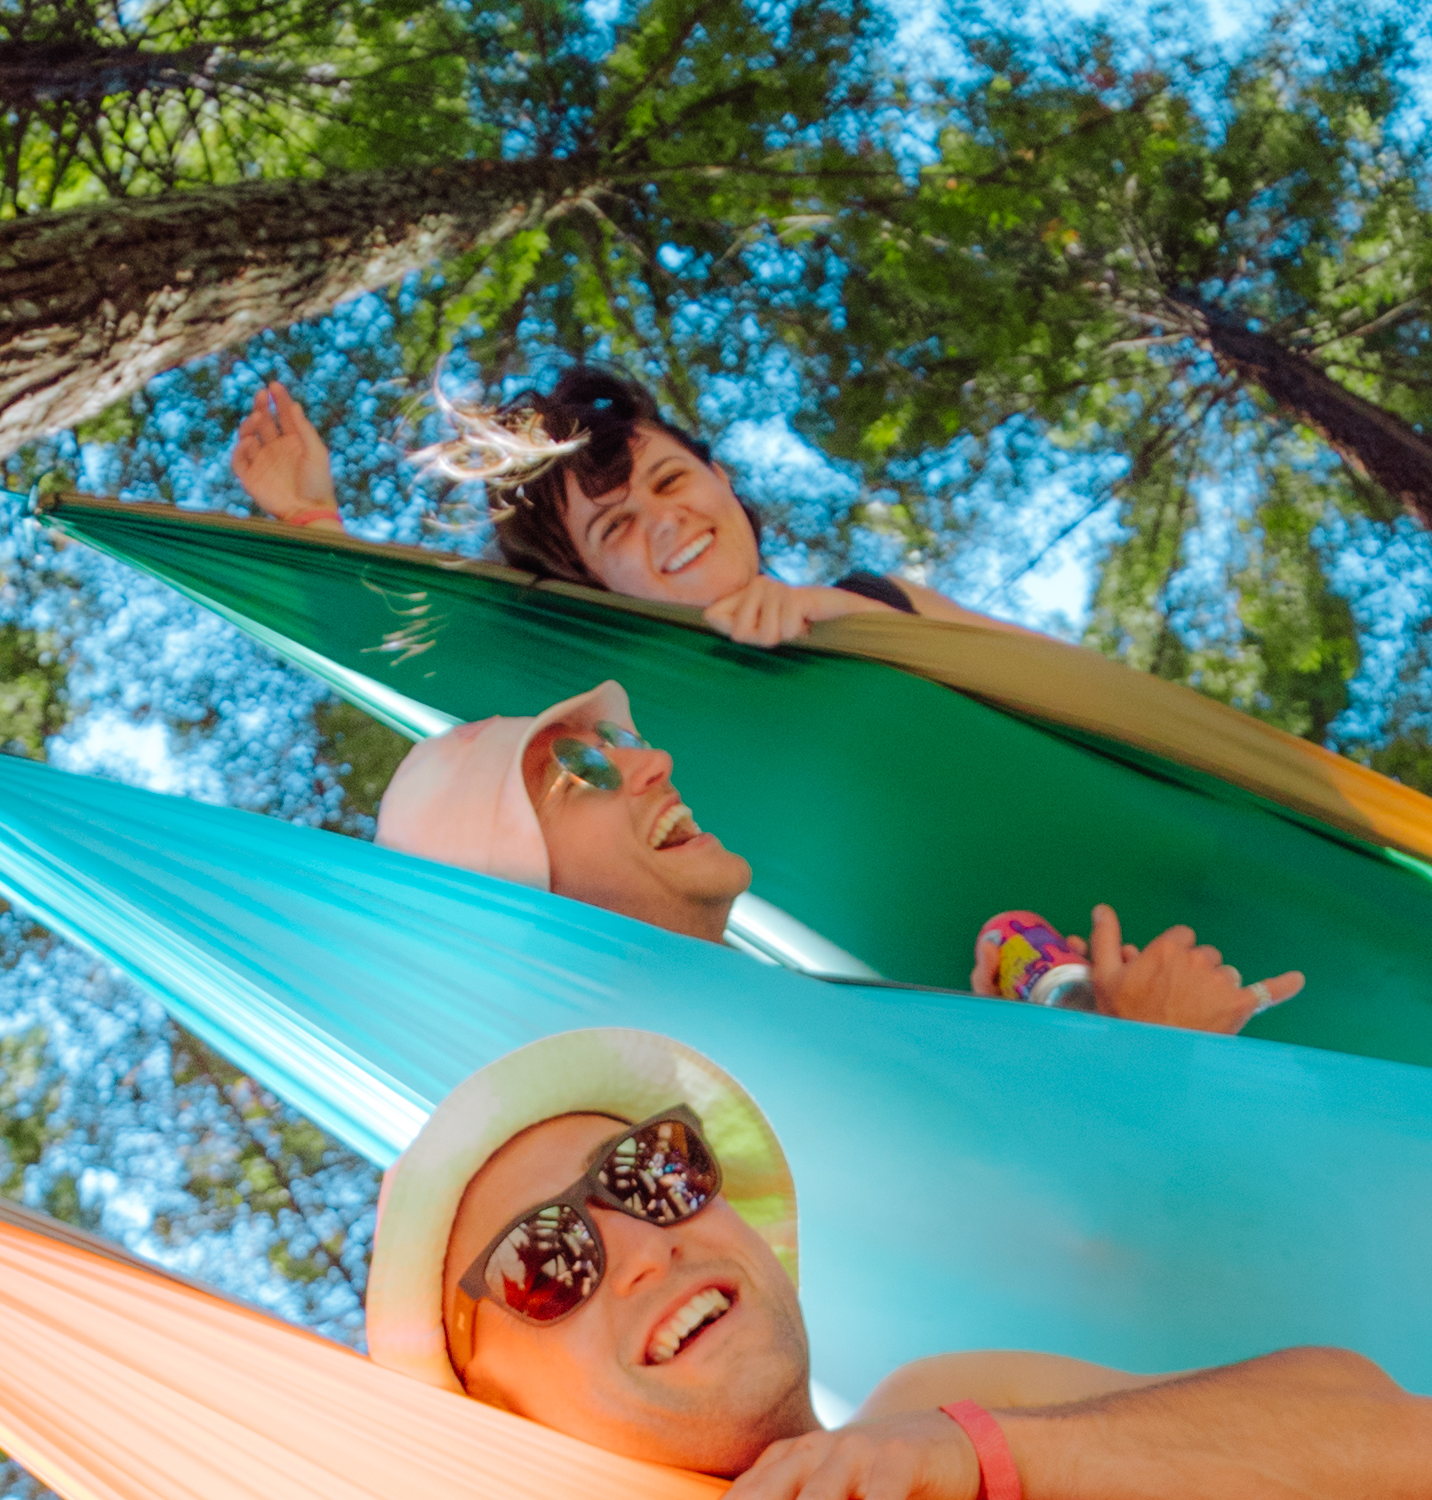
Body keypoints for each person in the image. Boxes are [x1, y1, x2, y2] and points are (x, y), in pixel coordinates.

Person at [364, 1029, 1432, 1500]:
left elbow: (1418, 1457)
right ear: (496, 1413)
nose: (647, 1242)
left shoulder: (951, 1411)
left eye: (653, 1173)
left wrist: (994, 1454)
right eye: (546, 1259)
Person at [368, 678, 1293, 1039]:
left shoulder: (772, 1030)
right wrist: (1161, 1047)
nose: (653, 759)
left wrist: (1039, 1046)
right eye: (578, 771)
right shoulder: (688, 1121)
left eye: (614, 735)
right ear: (524, 911)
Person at [230, 360, 1034, 650]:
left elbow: (1065, 681)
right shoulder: (630, 733)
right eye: (614, 525)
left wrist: (836, 615)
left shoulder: (874, 596)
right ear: (592, 579)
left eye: (671, 481)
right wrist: (312, 523)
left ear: (721, 479)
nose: (666, 521)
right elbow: (419, 672)